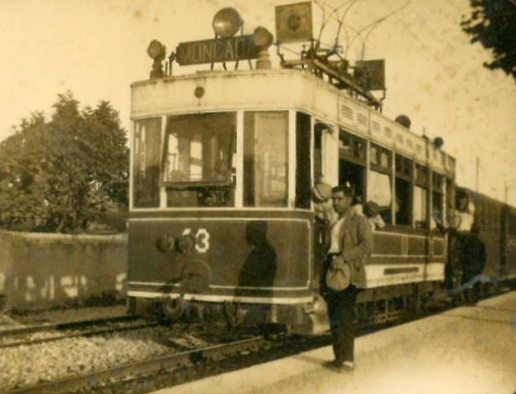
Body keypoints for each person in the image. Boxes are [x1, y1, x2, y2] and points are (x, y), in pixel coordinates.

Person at [321, 185, 373, 372]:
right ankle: (338, 358)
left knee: (345, 317)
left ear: (349, 200)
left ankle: (348, 361)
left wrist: (344, 256)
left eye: (339, 199)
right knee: (334, 317)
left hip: (348, 272)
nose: (335, 202)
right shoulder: (335, 221)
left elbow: (367, 245)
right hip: (332, 270)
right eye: (333, 199)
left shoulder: (358, 220)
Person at [460, 223, 486, 303]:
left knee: (466, 282)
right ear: (478, 232)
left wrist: (463, 265)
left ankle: (467, 299)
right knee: (476, 284)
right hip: (477, 267)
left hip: (467, 266)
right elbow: (483, 257)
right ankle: (475, 300)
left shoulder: (467, 242)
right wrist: (481, 267)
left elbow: (462, 254)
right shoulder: (481, 243)